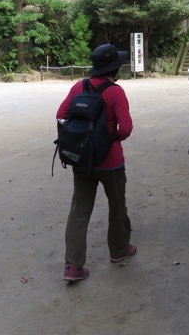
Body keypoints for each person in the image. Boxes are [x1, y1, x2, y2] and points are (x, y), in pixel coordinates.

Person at [56, 43, 136, 282]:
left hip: (81, 160)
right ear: (114, 68)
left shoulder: (80, 85)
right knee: (117, 204)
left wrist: (82, 138)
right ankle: (120, 249)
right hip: (110, 162)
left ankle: (73, 265)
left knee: (80, 210)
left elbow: (61, 115)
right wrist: (110, 138)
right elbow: (127, 128)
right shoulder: (115, 91)